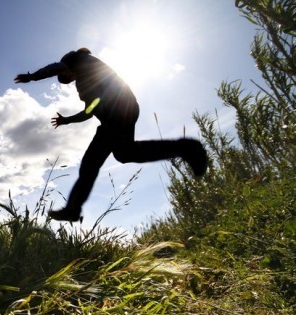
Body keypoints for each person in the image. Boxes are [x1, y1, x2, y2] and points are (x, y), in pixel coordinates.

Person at [15, 48, 208, 222]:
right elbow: (89, 111)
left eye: (67, 75)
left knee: (91, 163)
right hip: (119, 114)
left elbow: (56, 67)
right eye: (69, 78)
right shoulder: (86, 80)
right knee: (124, 154)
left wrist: (32, 77)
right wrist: (67, 120)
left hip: (118, 111)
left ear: (67, 67)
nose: (70, 77)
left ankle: (72, 209)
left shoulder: (80, 60)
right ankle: (186, 148)